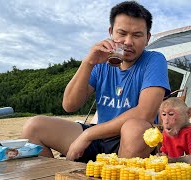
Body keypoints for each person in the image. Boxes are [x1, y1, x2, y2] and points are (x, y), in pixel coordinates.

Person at [22, 1, 170, 163]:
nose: (128, 42)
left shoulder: (154, 60)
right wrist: (88, 63)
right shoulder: (101, 62)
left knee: (135, 128)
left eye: (137, 35)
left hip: (130, 140)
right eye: (122, 33)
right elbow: (69, 105)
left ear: (147, 38)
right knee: (33, 126)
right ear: (111, 32)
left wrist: (87, 134)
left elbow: (145, 113)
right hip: (99, 137)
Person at [158, 97, 191, 169]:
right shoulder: (165, 134)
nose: (166, 121)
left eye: (171, 114)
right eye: (164, 114)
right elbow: (165, 154)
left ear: (188, 114)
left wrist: (173, 161)